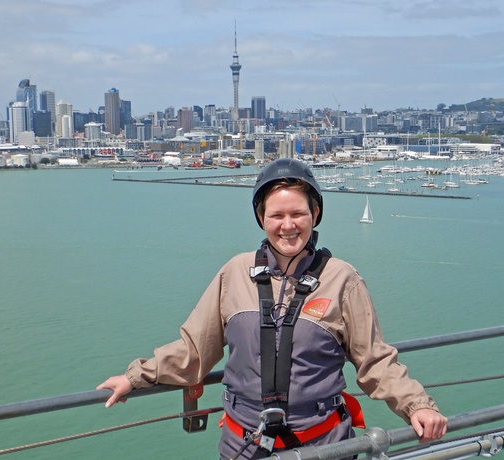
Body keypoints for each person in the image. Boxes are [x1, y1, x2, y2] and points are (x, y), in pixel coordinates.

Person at [98, 158, 447, 459]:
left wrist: (418, 406)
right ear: (261, 217)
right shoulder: (235, 273)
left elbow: (375, 360)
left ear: (316, 214)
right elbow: (195, 349)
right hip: (245, 445)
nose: (288, 225)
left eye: (298, 213)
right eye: (276, 215)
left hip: (322, 445)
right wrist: (135, 377)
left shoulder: (342, 279)